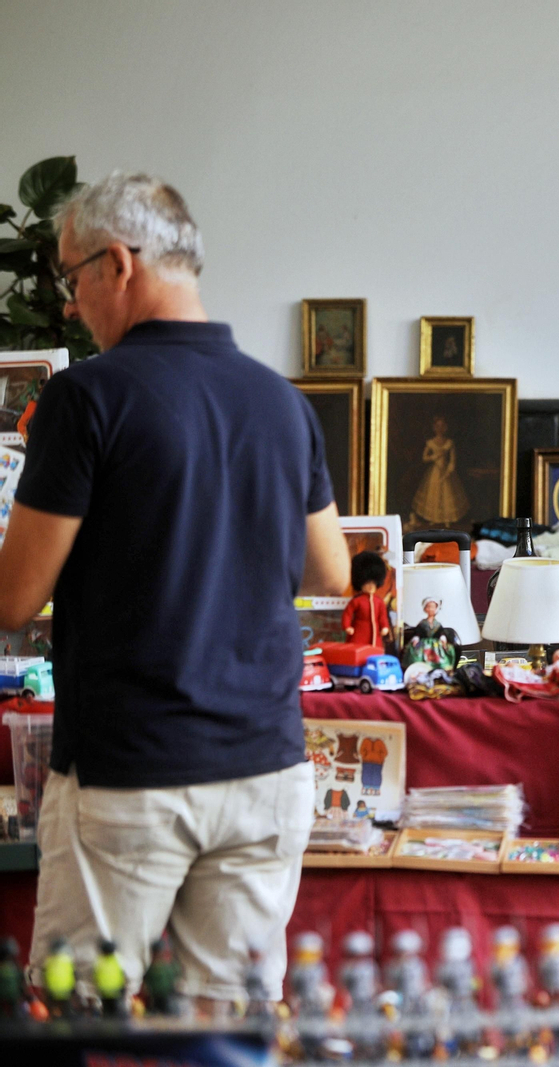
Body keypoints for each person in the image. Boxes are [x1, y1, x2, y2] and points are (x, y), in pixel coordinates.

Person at [0, 172, 350, 1012]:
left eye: (72, 276)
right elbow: (330, 573)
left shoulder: (87, 396)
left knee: (81, 1016)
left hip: (133, 770)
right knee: (227, 1026)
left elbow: (14, 598)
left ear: (118, 263)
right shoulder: (280, 400)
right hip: (265, 768)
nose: (72, 303)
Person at [411, 414, 469, 528]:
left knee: (447, 493)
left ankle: (447, 519)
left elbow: (452, 460)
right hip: (434, 472)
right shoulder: (430, 442)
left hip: (446, 471)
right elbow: (424, 458)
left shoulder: (450, 442)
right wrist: (434, 456)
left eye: (442, 426)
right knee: (434, 495)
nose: (440, 428)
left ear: (446, 427)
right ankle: (434, 519)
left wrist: (449, 471)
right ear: (434, 428)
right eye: (437, 426)